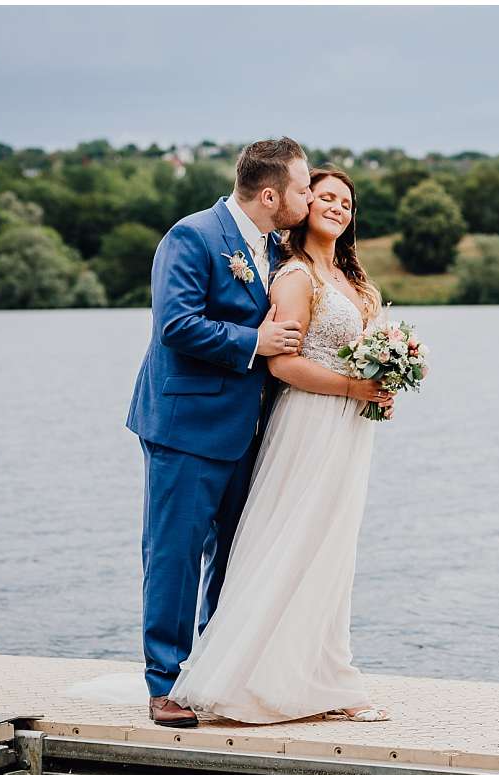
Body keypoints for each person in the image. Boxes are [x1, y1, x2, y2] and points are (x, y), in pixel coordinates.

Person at [165, 166, 394, 723]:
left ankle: (324, 675)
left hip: (349, 428)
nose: (338, 207)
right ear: (303, 204)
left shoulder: (354, 280)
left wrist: (388, 380)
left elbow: (363, 353)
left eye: (347, 200)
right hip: (310, 423)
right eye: (326, 197)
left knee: (332, 549)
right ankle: (255, 677)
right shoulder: (294, 275)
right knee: (292, 540)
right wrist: (351, 385)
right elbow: (283, 362)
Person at [124, 137, 313, 728]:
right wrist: (251, 342)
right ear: (269, 193)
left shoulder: (274, 247)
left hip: (248, 430)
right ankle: (165, 683)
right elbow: (176, 324)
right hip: (185, 425)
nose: (307, 200)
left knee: (235, 557)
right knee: (175, 556)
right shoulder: (192, 236)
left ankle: (213, 672)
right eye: (302, 189)